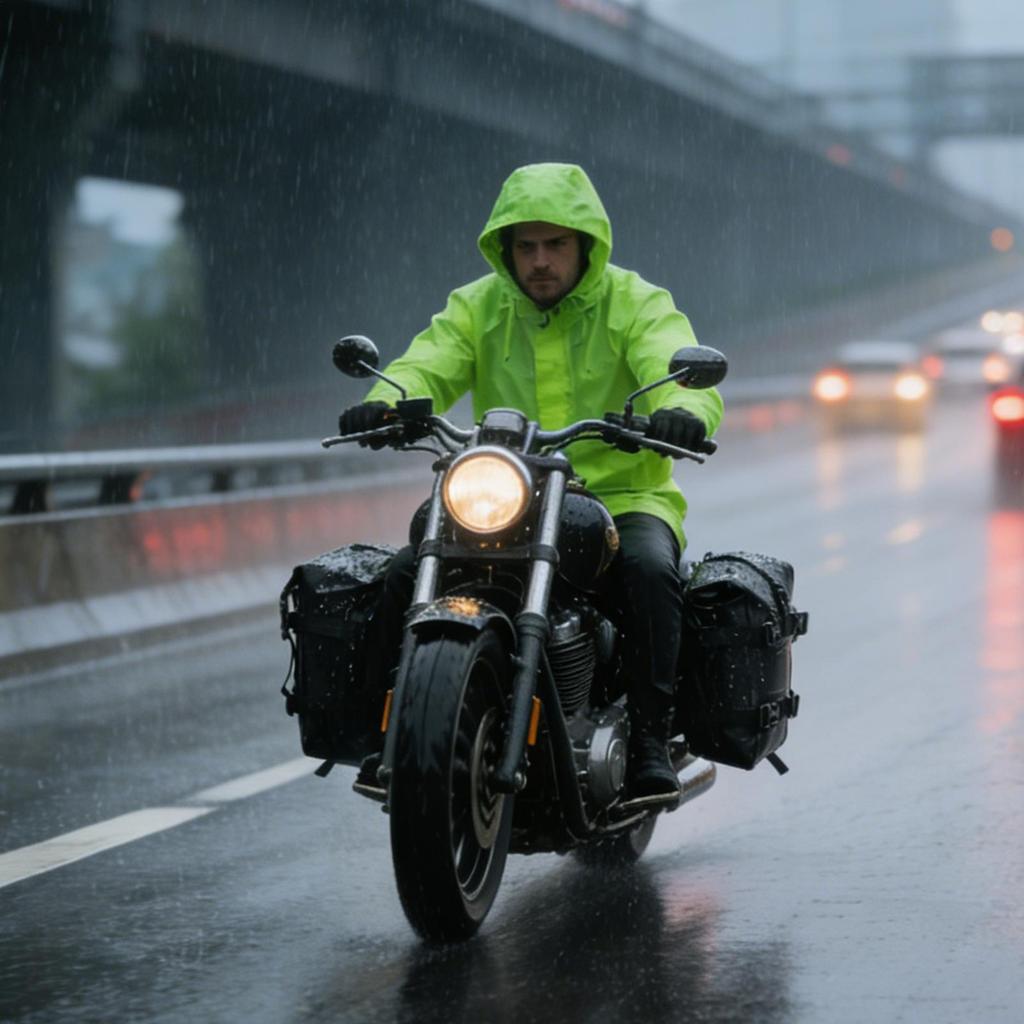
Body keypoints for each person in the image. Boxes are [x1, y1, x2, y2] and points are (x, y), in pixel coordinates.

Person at [339, 162, 723, 802]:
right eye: (526, 247)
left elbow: (670, 357)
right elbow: (429, 360)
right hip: (510, 490)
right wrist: (387, 400)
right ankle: (388, 732)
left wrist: (684, 412)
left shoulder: (635, 302)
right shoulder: (478, 306)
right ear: (506, 250)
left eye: (555, 244)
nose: (540, 261)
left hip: (622, 496)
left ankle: (652, 741)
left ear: (585, 245)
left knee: (651, 573)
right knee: (408, 571)